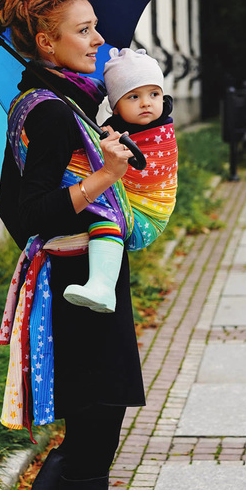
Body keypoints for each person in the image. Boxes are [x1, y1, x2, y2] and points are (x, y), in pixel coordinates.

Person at [0, 0, 159, 490]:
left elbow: (13, 202)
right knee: (90, 452)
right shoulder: (50, 110)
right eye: (81, 30)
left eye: (94, 26)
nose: (97, 39)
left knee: (82, 445)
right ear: (46, 39)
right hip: (76, 296)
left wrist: (104, 157)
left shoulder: (52, 101)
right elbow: (22, 216)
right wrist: (102, 180)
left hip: (82, 288)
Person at [63, 46, 177, 313]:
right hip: (128, 207)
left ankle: (103, 287)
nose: (146, 103)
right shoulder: (115, 130)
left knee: (107, 219)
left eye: (154, 94)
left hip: (148, 214)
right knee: (103, 214)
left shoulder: (161, 131)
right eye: (133, 96)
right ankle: (100, 289)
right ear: (115, 106)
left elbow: (148, 169)